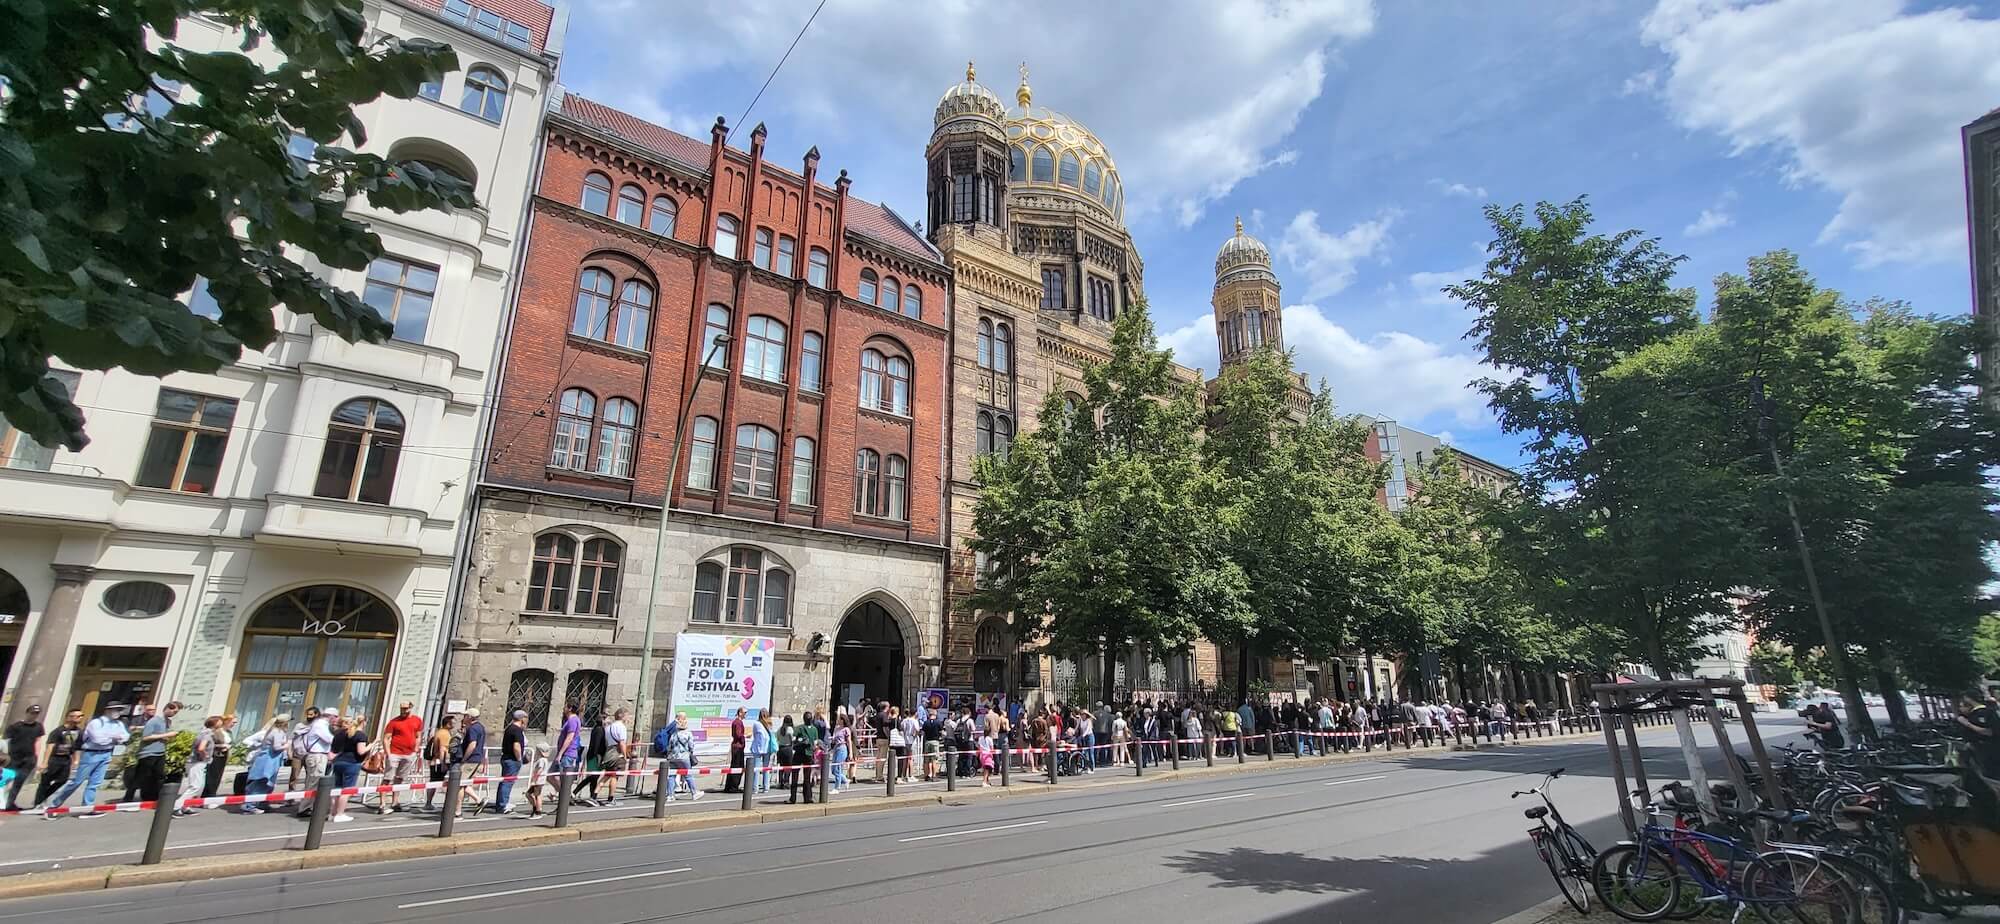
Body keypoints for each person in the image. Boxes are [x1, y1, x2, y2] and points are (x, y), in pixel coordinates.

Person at [27, 709, 82, 812]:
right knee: (45, 782)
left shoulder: (79, 732)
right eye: (77, 716)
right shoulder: (58, 731)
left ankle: (43, 798)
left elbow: (77, 747)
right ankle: (37, 804)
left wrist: (76, 761)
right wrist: (45, 762)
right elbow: (50, 747)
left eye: (81, 716)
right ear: (69, 717)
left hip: (66, 759)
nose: (80, 718)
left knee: (63, 780)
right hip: (54, 759)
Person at [131, 700, 181, 803]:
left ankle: (155, 798)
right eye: (173, 711)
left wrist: (169, 738)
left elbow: (162, 735)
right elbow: (146, 737)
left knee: (159, 776)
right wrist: (166, 735)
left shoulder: (168, 722)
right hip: (148, 753)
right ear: (167, 709)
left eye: (176, 713)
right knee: (141, 777)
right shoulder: (154, 721)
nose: (174, 714)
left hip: (160, 752)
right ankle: (128, 798)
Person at [239, 715, 289, 814]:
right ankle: (250, 805)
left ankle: (261, 803)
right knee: (262, 781)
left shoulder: (272, 731)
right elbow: (276, 747)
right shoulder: (277, 732)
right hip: (269, 759)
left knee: (266, 782)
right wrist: (287, 745)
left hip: (269, 758)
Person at [327, 713, 373, 822]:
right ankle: (340, 813)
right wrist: (371, 745)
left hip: (338, 761)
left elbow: (334, 749)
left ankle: (332, 813)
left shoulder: (339, 734)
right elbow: (361, 751)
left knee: (337, 788)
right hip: (352, 762)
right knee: (347, 790)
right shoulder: (359, 735)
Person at [173, 715, 220, 817]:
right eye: (219, 721)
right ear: (214, 724)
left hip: (196, 762)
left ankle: (186, 806)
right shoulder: (207, 734)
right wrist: (206, 756)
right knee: (195, 786)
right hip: (198, 762)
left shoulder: (204, 733)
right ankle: (176, 807)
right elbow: (201, 748)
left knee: (197, 786)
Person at [382, 701, 424, 813]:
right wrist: (388, 753)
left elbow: (418, 736)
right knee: (388, 778)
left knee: (400, 778)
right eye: (402, 709)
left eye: (406, 709)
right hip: (394, 753)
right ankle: (382, 804)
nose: (403, 711)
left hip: (408, 753)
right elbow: (386, 738)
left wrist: (416, 749)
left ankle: (395, 802)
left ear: (411, 708)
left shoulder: (417, 720)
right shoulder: (394, 722)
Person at [4, 704, 47, 811]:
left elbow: (38, 741)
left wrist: (37, 756)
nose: (34, 716)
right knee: (6, 781)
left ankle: (9, 803)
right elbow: (6, 741)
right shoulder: (16, 726)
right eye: (32, 713)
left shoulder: (38, 727)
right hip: (13, 758)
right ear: (27, 713)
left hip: (29, 759)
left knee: (19, 781)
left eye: (36, 714)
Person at [293, 705, 334, 815]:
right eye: (335, 717)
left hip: (318, 756)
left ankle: (310, 805)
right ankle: (305, 807)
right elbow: (330, 739)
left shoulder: (319, 724)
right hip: (317, 756)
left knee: (314, 782)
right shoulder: (320, 725)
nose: (336, 719)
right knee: (314, 782)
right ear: (330, 716)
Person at [495, 709, 529, 815]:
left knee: (505, 781)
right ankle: (503, 805)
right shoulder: (517, 730)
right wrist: (519, 758)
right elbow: (516, 746)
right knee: (508, 782)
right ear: (522, 718)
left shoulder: (509, 728)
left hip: (506, 757)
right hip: (512, 759)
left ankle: (501, 803)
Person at [457, 708, 487, 817]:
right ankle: (479, 801)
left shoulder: (473, 729)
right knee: (465, 783)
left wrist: (464, 758)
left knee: (458, 784)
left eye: (465, 716)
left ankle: (457, 811)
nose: (463, 718)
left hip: (471, 759)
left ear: (470, 717)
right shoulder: (480, 727)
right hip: (477, 758)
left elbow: (472, 744)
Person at [663, 713, 700, 801]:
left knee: (671, 776)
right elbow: (691, 746)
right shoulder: (688, 734)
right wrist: (690, 752)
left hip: (673, 757)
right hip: (684, 757)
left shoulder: (674, 735)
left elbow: (669, 747)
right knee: (688, 775)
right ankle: (694, 793)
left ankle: (670, 795)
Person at [423, 714, 456, 812]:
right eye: (453, 722)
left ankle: (428, 803)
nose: (455, 724)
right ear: (448, 724)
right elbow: (442, 750)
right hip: (439, 762)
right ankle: (429, 803)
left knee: (434, 782)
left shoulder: (440, 732)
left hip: (435, 761)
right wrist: (443, 764)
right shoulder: (444, 734)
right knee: (436, 782)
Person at [600, 707, 631, 805]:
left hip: (609, 753)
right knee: (614, 776)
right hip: (617, 754)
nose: (628, 717)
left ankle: (594, 795)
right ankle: (611, 798)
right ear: (622, 716)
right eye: (627, 715)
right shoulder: (621, 727)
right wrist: (625, 756)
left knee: (606, 776)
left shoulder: (609, 727)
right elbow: (622, 743)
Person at [201, 714, 235, 800]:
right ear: (226, 722)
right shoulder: (216, 731)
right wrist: (221, 746)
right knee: (212, 776)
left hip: (224, 755)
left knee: (218, 777)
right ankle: (208, 796)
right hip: (215, 755)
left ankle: (212, 796)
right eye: (233, 722)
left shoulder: (229, 732)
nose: (233, 724)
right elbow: (209, 744)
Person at [723, 707, 748, 794]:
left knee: (734, 766)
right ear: (740, 713)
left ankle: (729, 786)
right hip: (738, 747)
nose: (745, 715)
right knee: (737, 767)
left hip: (736, 746)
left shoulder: (736, 722)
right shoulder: (738, 722)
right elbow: (738, 734)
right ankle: (734, 786)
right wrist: (744, 737)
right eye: (744, 713)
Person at [524, 745, 551, 818]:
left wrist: (534, 780)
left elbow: (539, 771)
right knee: (530, 794)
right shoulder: (542, 760)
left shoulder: (542, 760)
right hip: (539, 781)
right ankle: (536, 808)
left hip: (538, 781)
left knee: (536, 795)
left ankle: (537, 811)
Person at [750, 713, 773, 795]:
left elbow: (754, 734)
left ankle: (755, 788)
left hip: (758, 748)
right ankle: (766, 787)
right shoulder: (770, 723)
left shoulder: (756, 724)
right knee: (766, 769)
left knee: (756, 769)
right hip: (767, 748)